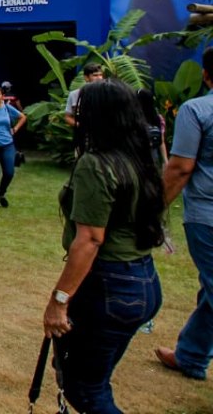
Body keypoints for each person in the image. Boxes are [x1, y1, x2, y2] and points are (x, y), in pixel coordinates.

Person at [42, 79, 165, 413]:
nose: (76, 119)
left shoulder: (96, 165)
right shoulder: (140, 158)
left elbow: (91, 239)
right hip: (143, 281)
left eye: (83, 113)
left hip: (110, 286)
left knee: (85, 390)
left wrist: (59, 300)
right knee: (93, 380)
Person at [156, 47, 213, 381]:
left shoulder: (197, 109)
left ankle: (191, 355)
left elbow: (179, 169)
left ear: (205, 74)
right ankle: (191, 355)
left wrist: (153, 211)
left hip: (206, 216)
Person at [64, 62, 104, 128]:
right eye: (95, 75)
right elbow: (67, 117)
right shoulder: (75, 94)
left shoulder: (108, 94)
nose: (99, 78)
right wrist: (81, 126)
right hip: (82, 135)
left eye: (100, 75)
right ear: (86, 78)